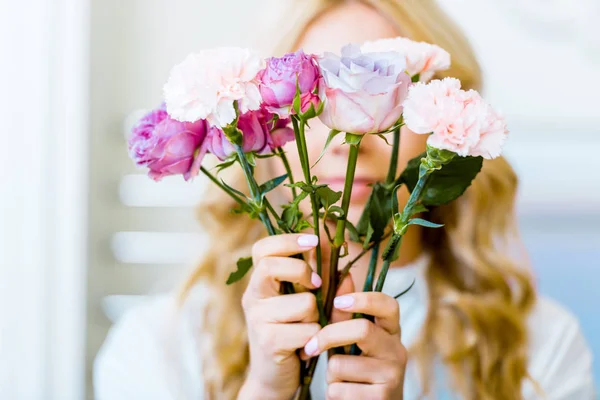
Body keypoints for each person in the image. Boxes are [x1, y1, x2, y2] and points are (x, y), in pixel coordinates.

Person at [94, 0, 596, 399]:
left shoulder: (542, 350)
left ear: (446, 126)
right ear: (259, 125)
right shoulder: (155, 347)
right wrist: (264, 394)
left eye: (392, 99)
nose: (351, 137)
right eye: (315, 101)